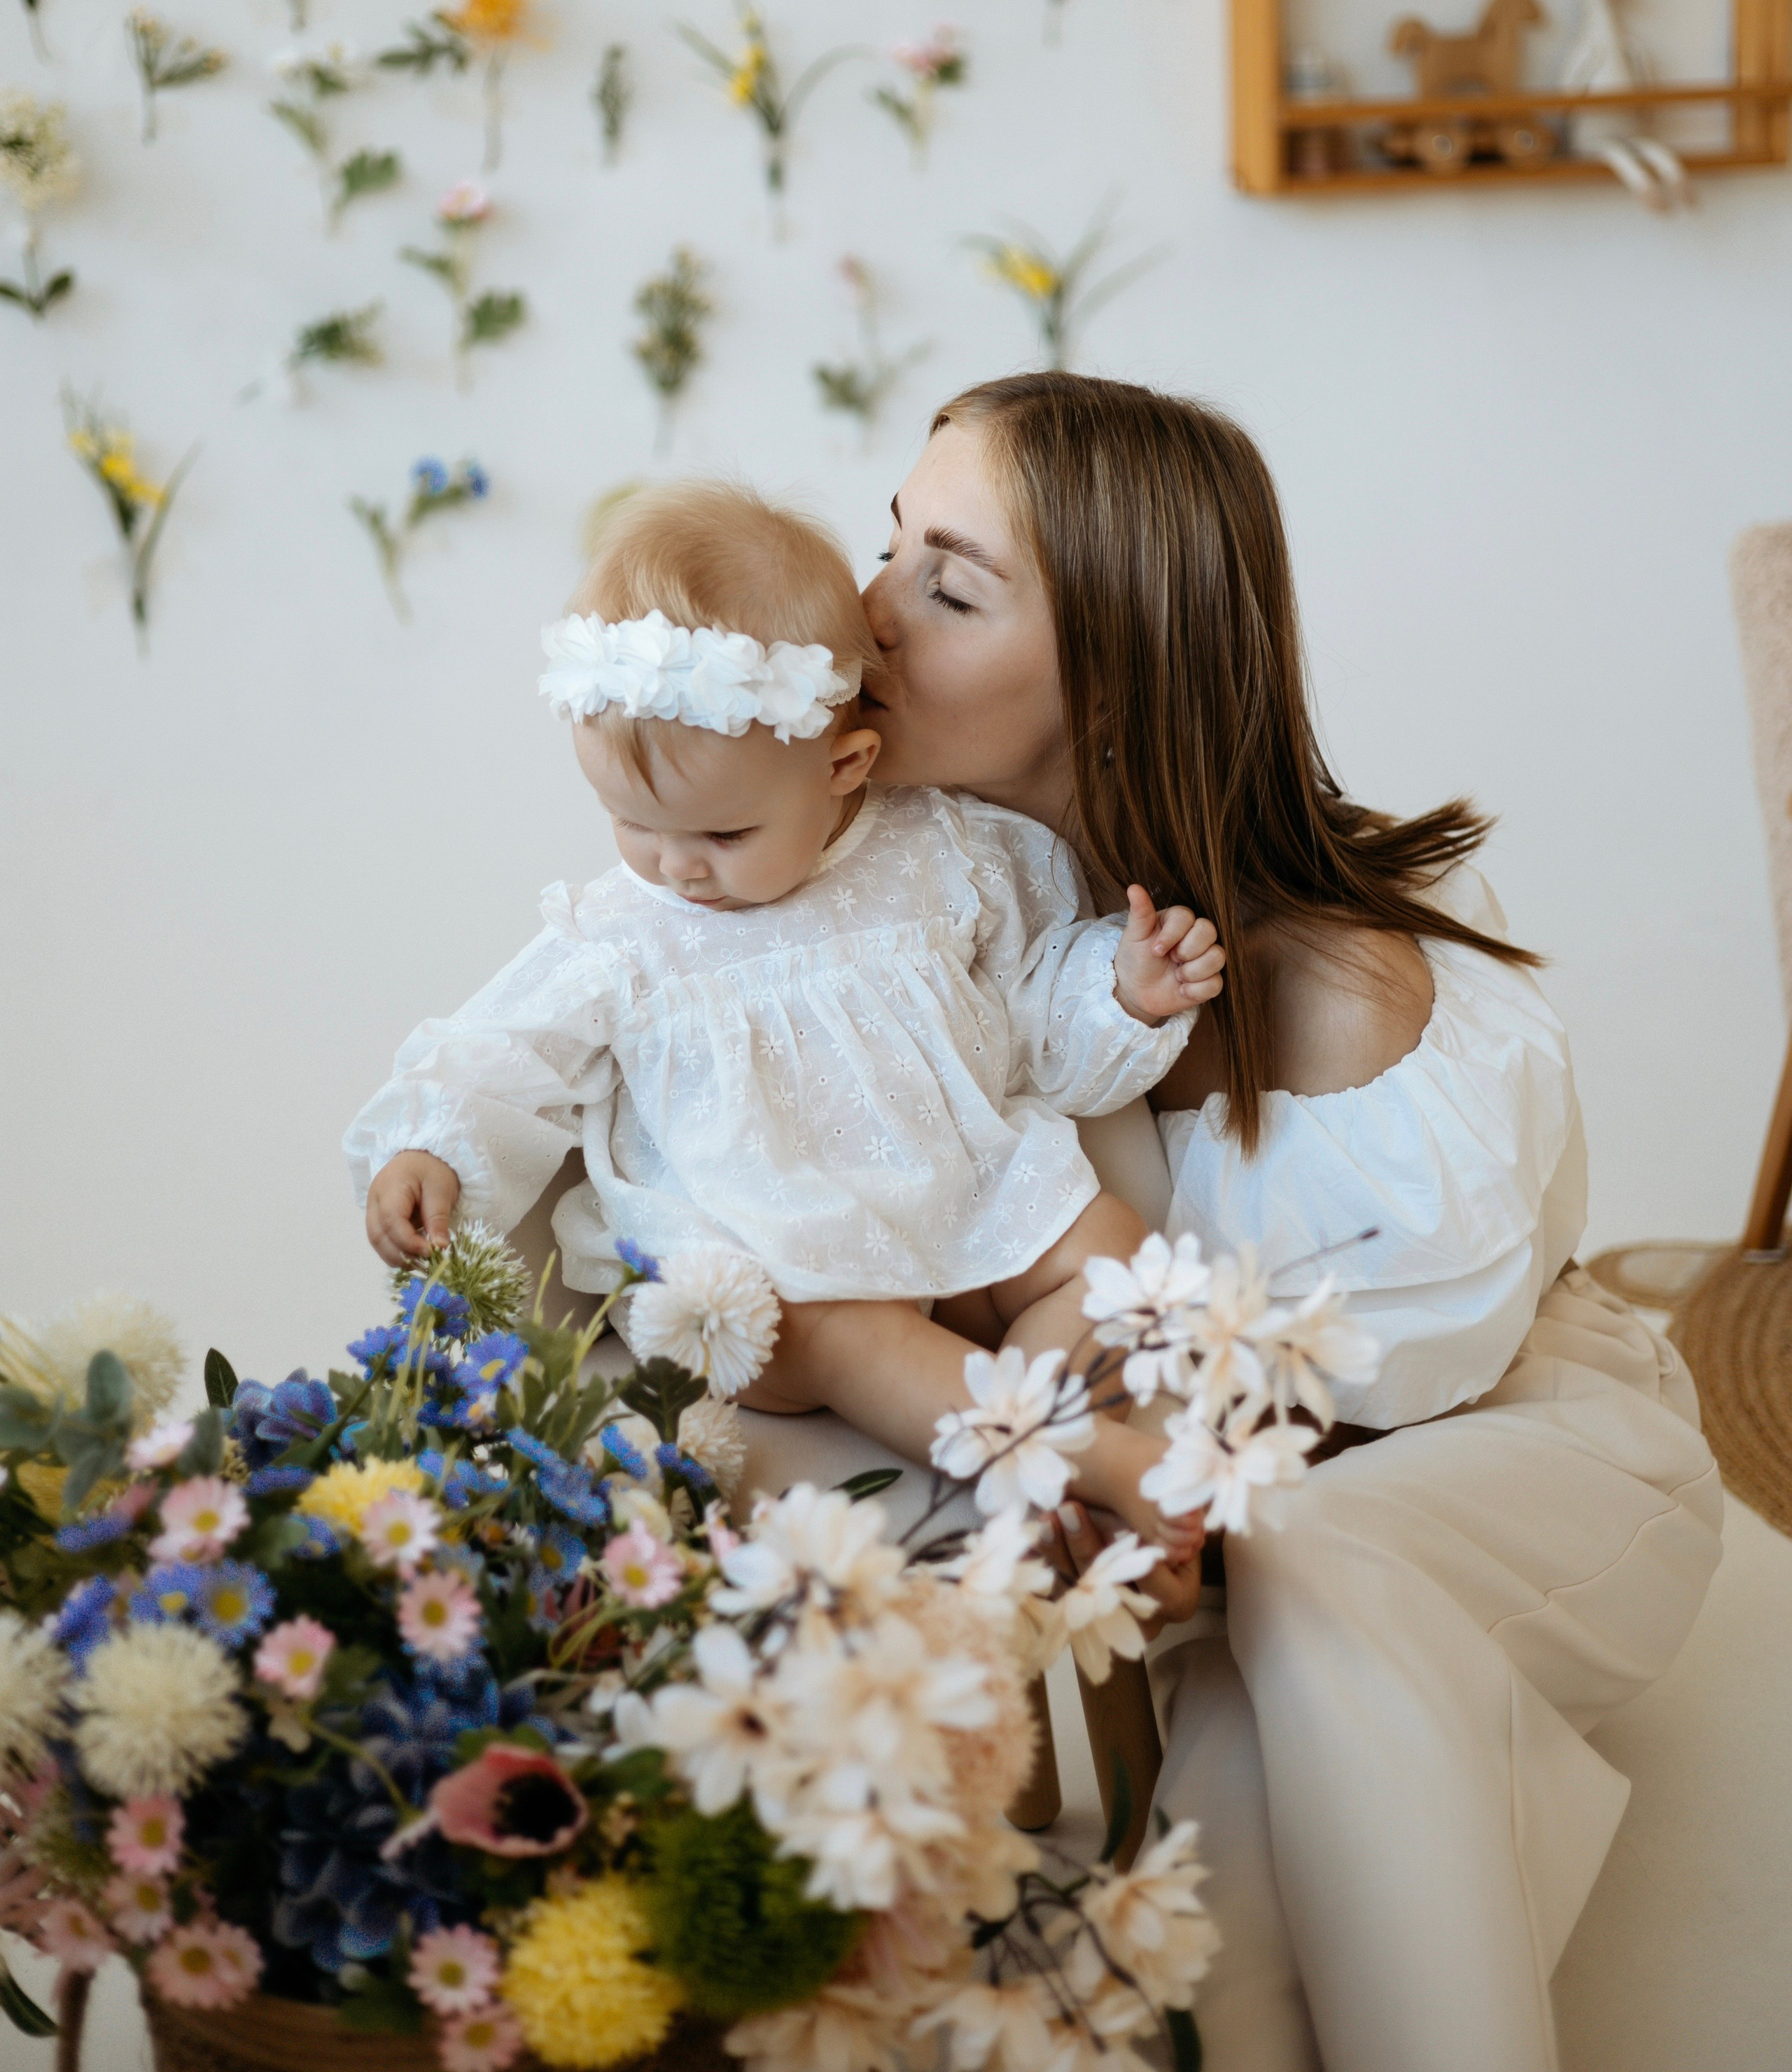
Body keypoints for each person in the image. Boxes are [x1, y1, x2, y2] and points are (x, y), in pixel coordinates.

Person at [841, 370, 1723, 2072]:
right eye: (889, 545)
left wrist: (1060, 1425)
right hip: (1242, 1554)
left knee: (1308, 1560)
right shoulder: (943, 936)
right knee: (1224, 1873)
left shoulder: (1344, 995)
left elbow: (1338, 1422)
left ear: (1114, 678)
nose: (868, 614)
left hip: (1507, 1462)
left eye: (945, 589)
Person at [348, 479, 1226, 1550]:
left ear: (843, 765)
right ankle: (1104, 1463)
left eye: (724, 835)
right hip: (768, 1267)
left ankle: (1045, 1474)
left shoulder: (944, 856)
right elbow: (502, 1052)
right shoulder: (626, 932)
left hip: (961, 1203)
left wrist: (1120, 992)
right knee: (852, 1337)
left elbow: (1032, 1022)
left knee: (1128, 1269)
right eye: (631, 823)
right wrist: (428, 1146)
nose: (677, 867)